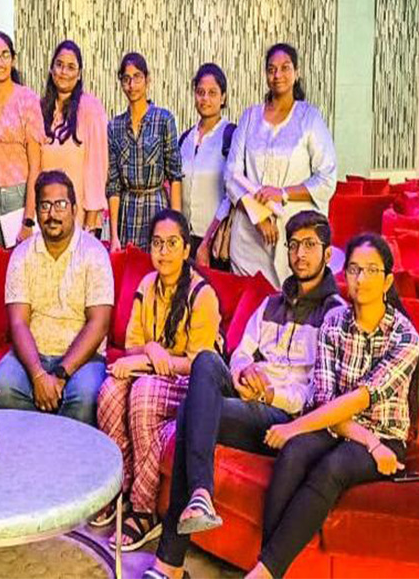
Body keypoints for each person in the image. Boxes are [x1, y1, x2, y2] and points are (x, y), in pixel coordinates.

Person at [142, 211, 345, 579]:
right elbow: (239, 350)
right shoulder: (271, 303)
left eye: (309, 245)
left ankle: (169, 563)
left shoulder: (336, 316)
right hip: (246, 394)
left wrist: (271, 395)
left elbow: (321, 391)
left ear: (327, 255)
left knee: (192, 410)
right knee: (206, 359)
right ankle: (200, 496)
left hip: (283, 417)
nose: (300, 254)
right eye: (294, 245)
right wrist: (241, 372)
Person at [244, 233, 419, 579]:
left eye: (371, 270)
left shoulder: (405, 336)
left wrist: (368, 443)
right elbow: (327, 402)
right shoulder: (333, 324)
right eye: (354, 269)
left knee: (333, 467)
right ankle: (268, 570)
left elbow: (359, 398)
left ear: (387, 280)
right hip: (334, 424)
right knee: (294, 452)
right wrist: (302, 432)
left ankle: (263, 573)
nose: (361, 278)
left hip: (383, 437)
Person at [96, 209, 221, 551]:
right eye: (157, 244)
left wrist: (151, 362)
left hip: (188, 382)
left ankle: (143, 509)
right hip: (153, 370)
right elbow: (133, 342)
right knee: (109, 391)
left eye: (172, 244)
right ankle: (116, 489)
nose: (163, 252)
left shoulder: (201, 294)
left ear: (186, 249)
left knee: (144, 394)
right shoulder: (146, 285)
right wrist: (152, 351)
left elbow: (201, 364)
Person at [0, 170, 112, 425]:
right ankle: (32, 454)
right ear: (36, 212)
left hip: (83, 360)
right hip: (32, 357)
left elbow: (99, 324)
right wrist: (37, 376)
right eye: (45, 205)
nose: (52, 213)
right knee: (3, 386)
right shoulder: (22, 255)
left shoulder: (94, 253)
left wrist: (59, 375)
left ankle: (66, 459)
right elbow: (18, 323)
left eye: (60, 204)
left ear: (74, 209)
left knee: (85, 396)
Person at [225, 43, 337, 288]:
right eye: (271, 69)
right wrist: (258, 217)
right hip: (249, 234)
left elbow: (327, 178)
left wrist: (282, 192)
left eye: (285, 68)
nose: (278, 75)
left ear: (296, 72)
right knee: (249, 309)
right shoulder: (250, 117)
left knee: (290, 308)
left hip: (293, 234)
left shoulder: (309, 118)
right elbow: (231, 174)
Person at [0, 31, 46, 250]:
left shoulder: (27, 99)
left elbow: (36, 166)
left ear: (13, 59)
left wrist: (29, 218)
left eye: (4, 55)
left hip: (19, 195)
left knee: (18, 272)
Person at [106, 52, 181, 252]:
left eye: (137, 77)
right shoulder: (115, 127)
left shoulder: (164, 120)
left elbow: (175, 176)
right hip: (127, 212)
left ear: (148, 79)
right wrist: (113, 235)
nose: (132, 85)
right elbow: (113, 184)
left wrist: (176, 227)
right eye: (126, 79)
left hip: (156, 207)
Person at [39, 40, 109, 234]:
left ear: (79, 74)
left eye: (71, 67)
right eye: (59, 65)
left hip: (79, 221)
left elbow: (97, 169)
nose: (63, 72)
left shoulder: (91, 109)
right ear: (51, 69)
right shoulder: (40, 109)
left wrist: (91, 220)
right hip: (45, 219)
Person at [178, 63, 236, 265]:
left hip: (214, 242)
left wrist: (207, 242)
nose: (205, 99)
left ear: (223, 97)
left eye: (212, 93)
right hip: (185, 241)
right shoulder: (185, 139)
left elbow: (232, 194)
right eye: (200, 92)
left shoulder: (231, 136)